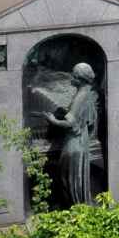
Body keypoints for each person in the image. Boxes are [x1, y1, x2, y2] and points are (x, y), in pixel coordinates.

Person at [46, 63, 99, 208]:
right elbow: (89, 122)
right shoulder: (88, 92)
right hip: (82, 140)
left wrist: (53, 120)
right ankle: (78, 206)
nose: (71, 76)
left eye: (73, 74)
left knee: (69, 177)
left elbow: (70, 123)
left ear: (80, 79)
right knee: (74, 177)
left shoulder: (80, 97)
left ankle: (76, 207)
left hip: (73, 143)